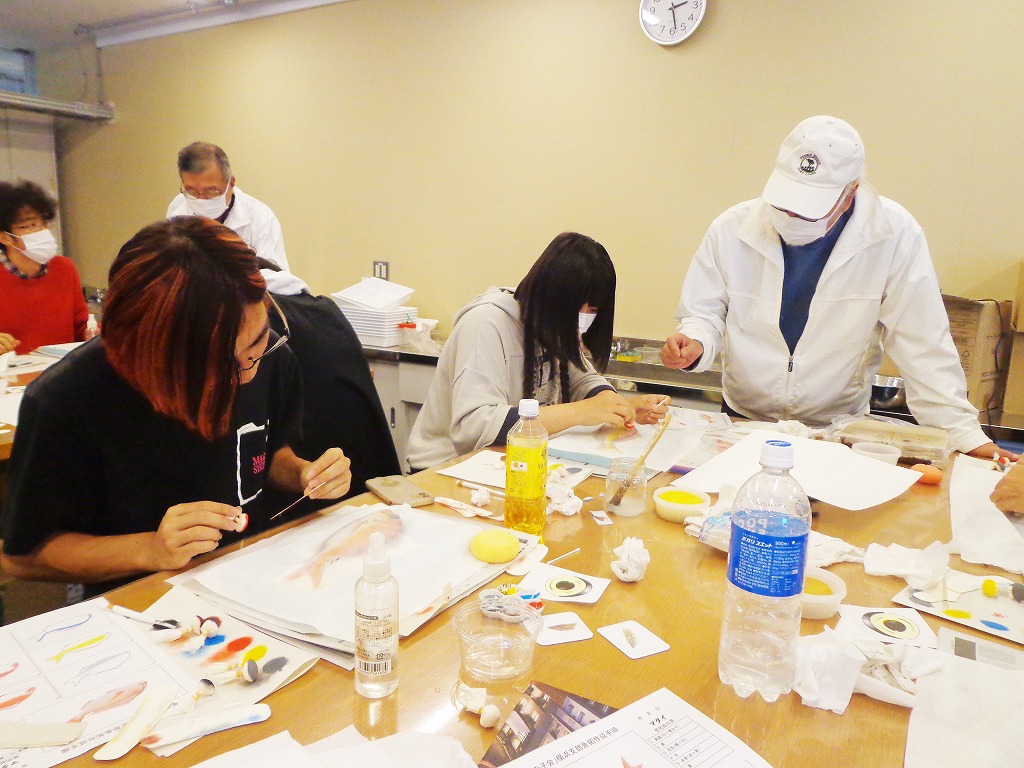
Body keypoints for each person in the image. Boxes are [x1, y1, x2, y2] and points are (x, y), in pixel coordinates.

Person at [0, 217, 351, 595]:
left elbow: (264, 452)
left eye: (257, 343)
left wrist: (304, 474)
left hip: (252, 582)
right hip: (144, 606)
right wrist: (150, 549)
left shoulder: (266, 356)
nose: (248, 374)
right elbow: (22, 557)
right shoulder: (67, 400)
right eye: (218, 366)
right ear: (151, 352)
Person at [660, 115, 1010, 460]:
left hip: (835, 429)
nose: (791, 217)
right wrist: (696, 340)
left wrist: (962, 433)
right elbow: (704, 312)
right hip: (744, 419)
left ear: (850, 191)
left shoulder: (893, 235)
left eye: (807, 210)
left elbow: (923, 342)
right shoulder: (731, 228)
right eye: (784, 203)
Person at [406, 231, 669, 471]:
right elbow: (474, 427)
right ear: (554, 296)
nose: (584, 317)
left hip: (511, 462)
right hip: (446, 469)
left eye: (593, 310)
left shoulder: (553, 324)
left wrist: (615, 405)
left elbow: (583, 379)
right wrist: (581, 411)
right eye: (579, 307)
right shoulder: (485, 324)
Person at [257, 259, 401, 499]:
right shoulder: (324, 308)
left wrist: (304, 473)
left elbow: (267, 447)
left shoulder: (272, 325)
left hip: (320, 480)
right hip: (370, 475)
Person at [166, 141, 289, 271]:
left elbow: (276, 279)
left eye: (211, 191)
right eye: (191, 190)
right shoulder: (178, 208)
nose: (201, 198)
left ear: (231, 183)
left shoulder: (261, 219)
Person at [0, 180, 88, 355]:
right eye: (30, 225)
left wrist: (99, 333)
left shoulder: (64, 268)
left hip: (61, 367)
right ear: (5, 238)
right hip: (12, 370)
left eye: (42, 224)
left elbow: (82, 325)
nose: (40, 231)